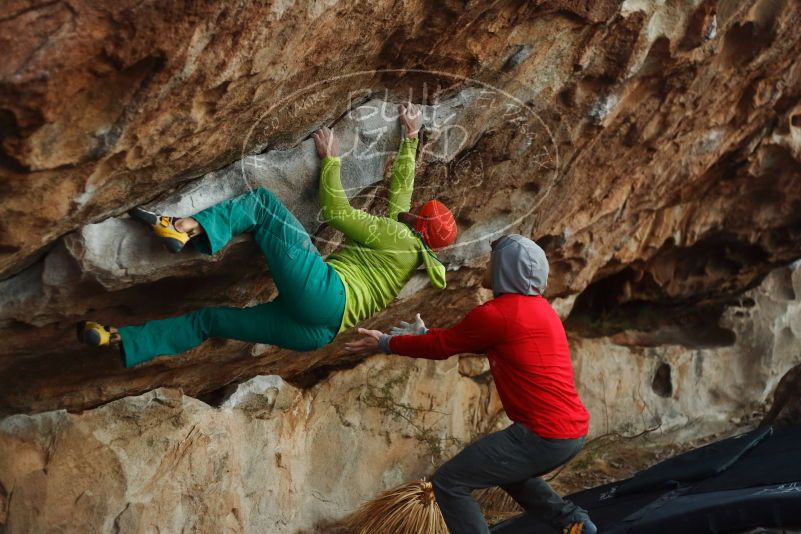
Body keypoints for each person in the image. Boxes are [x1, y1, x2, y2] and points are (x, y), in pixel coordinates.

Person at [76, 103, 458, 368]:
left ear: (417, 224)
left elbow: (336, 211)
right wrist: (410, 137)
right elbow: (401, 195)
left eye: (417, 213)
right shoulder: (410, 248)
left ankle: (186, 227)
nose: (411, 208)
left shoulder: (396, 232)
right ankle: (125, 340)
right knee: (210, 321)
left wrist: (331, 161)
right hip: (316, 335)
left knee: (262, 204)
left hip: (325, 296)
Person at [345, 234, 595, 534]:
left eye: (493, 260)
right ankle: (573, 522)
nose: (486, 265)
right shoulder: (541, 311)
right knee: (509, 471)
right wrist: (423, 336)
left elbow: (443, 347)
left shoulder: (497, 314)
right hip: (571, 433)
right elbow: (465, 340)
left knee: (450, 483)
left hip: (542, 435)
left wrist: (386, 342)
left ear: (506, 268)